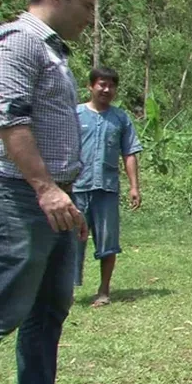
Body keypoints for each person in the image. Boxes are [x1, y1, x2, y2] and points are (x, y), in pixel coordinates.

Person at [0, 0, 97, 384]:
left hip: (56, 196)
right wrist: (43, 187)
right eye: (88, 6)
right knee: (6, 303)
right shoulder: (19, 40)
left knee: (49, 306)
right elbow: (10, 119)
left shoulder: (52, 51)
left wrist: (64, 194)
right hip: (23, 196)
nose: (91, 17)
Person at [72, 67, 143, 307]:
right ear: (90, 86)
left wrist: (134, 187)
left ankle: (103, 290)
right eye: (101, 84)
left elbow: (130, 153)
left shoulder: (120, 119)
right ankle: (67, 290)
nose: (106, 89)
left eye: (111, 86)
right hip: (77, 188)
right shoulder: (75, 115)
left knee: (108, 241)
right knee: (71, 241)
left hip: (107, 190)